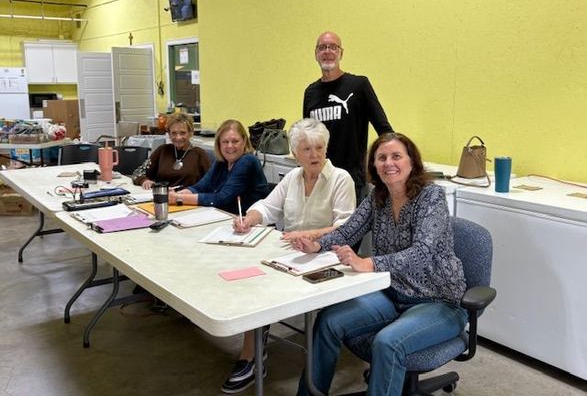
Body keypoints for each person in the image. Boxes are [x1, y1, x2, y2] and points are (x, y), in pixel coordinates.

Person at [294, 132, 467, 396]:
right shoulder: (378, 196)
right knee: (328, 321)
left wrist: (368, 263)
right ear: (374, 165)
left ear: (412, 161)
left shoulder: (431, 196)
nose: (389, 163)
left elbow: (422, 253)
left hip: (438, 301)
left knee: (388, 343)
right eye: (381, 158)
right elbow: (348, 230)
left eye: (396, 156)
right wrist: (317, 244)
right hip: (391, 293)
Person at [222, 118, 356, 394]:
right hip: (293, 254)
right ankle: (253, 354)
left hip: (328, 257)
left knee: (264, 285)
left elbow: (347, 228)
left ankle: (254, 354)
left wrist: (309, 234)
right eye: (306, 149)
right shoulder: (293, 178)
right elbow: (268, 208)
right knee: (250, 278)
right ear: (295, 154)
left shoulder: (341, 179)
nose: (314, 154)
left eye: (319, 147)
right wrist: (249, 219)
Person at [303, 31, 393, 200]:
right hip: (318, 179)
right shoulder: (310, 93)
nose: (327, 51)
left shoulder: (359, 85)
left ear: (341, 53)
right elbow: (307, 137)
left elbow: (384, 129)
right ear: (316, 54)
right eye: (322, 48)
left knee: (348, 227)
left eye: (333, 47)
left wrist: (396, 161)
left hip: (351, 181)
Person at [169, 119, 267, 214]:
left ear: (244, 141)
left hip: (250, 223)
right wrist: (179, 194)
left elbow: (222, 199)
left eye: (235, 141)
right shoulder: (222, 161)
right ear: (219, 143)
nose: (230, 146)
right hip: (226, 217)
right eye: (225, 142)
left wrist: (178, 198)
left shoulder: (248, 161)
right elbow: (200, 187)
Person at [133, 112, 211, 190]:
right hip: (162, 197)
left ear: (191, 133)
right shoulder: (162, 151)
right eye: (174, 133)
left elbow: (212, 183)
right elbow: (138, 173)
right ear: (169, 134)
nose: (178, 137)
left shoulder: (200, 155)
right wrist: (144, 181)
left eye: (183, 133)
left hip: (187, 199)